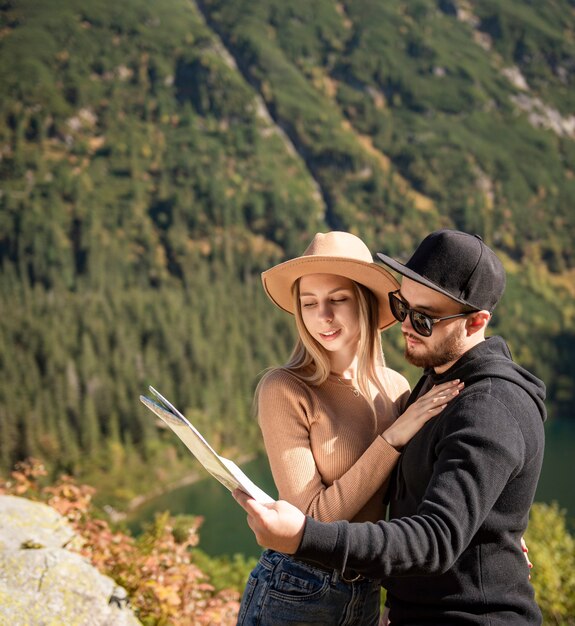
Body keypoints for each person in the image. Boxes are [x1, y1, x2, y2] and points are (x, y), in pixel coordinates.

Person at [234, 229, 546, 625]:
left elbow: (431, 502)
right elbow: (311, 519)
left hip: (366, 588)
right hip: (299, 585)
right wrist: (392, 438)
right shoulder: (288, 387)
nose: (322, 316)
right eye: (403, 308)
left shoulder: (403, 389)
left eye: (424, 318)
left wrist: (492, 533)